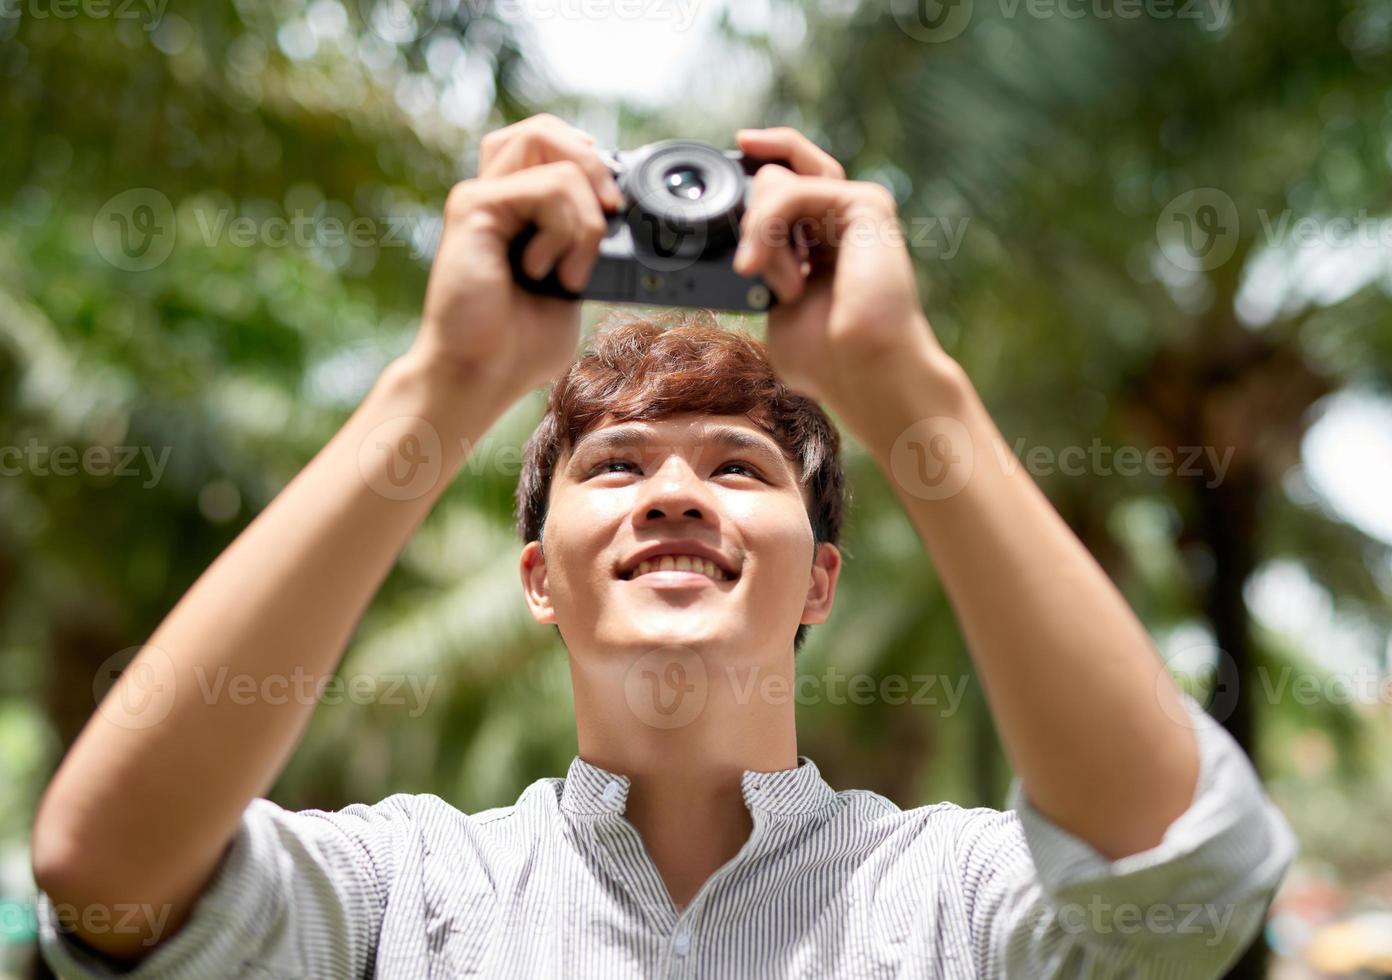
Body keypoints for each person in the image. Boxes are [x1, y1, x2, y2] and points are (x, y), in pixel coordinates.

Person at [30, 114, 1297, 978]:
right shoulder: (406, 889)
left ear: (821, 577)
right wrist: (447, 379)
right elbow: (106, 881)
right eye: (616, 466)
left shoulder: (954, 892)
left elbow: (1180, 878)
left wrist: (903, 384)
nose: (674, 491)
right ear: (536, 575)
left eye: (739, 467)